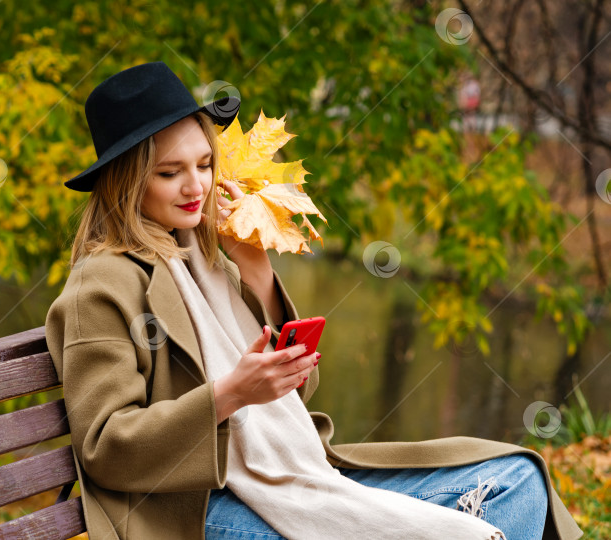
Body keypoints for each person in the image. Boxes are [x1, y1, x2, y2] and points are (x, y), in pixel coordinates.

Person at [44, 62, 582, 540]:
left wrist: (256, 271)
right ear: (125, 181)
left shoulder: (207, 258)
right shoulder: (103, 284)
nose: (197, 186)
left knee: (518, 482)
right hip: (193, 509)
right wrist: (226, 396)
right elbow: (105, 449)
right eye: (169, 172)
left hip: (292, 475)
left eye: (205, 164)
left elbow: (294, 400)